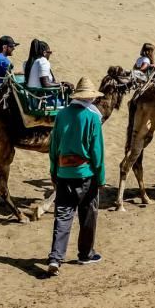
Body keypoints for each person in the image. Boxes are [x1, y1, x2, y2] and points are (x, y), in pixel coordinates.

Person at [46, 76, 106, 275]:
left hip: (63, 172)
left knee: (63, 215)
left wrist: (53, 170)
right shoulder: (92, 118)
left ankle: (55, 257)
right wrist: (101, 177)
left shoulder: (61, 115)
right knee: (88, 214)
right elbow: (97, 152)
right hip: (85, 174)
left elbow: (54, 147)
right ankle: (85, 254)